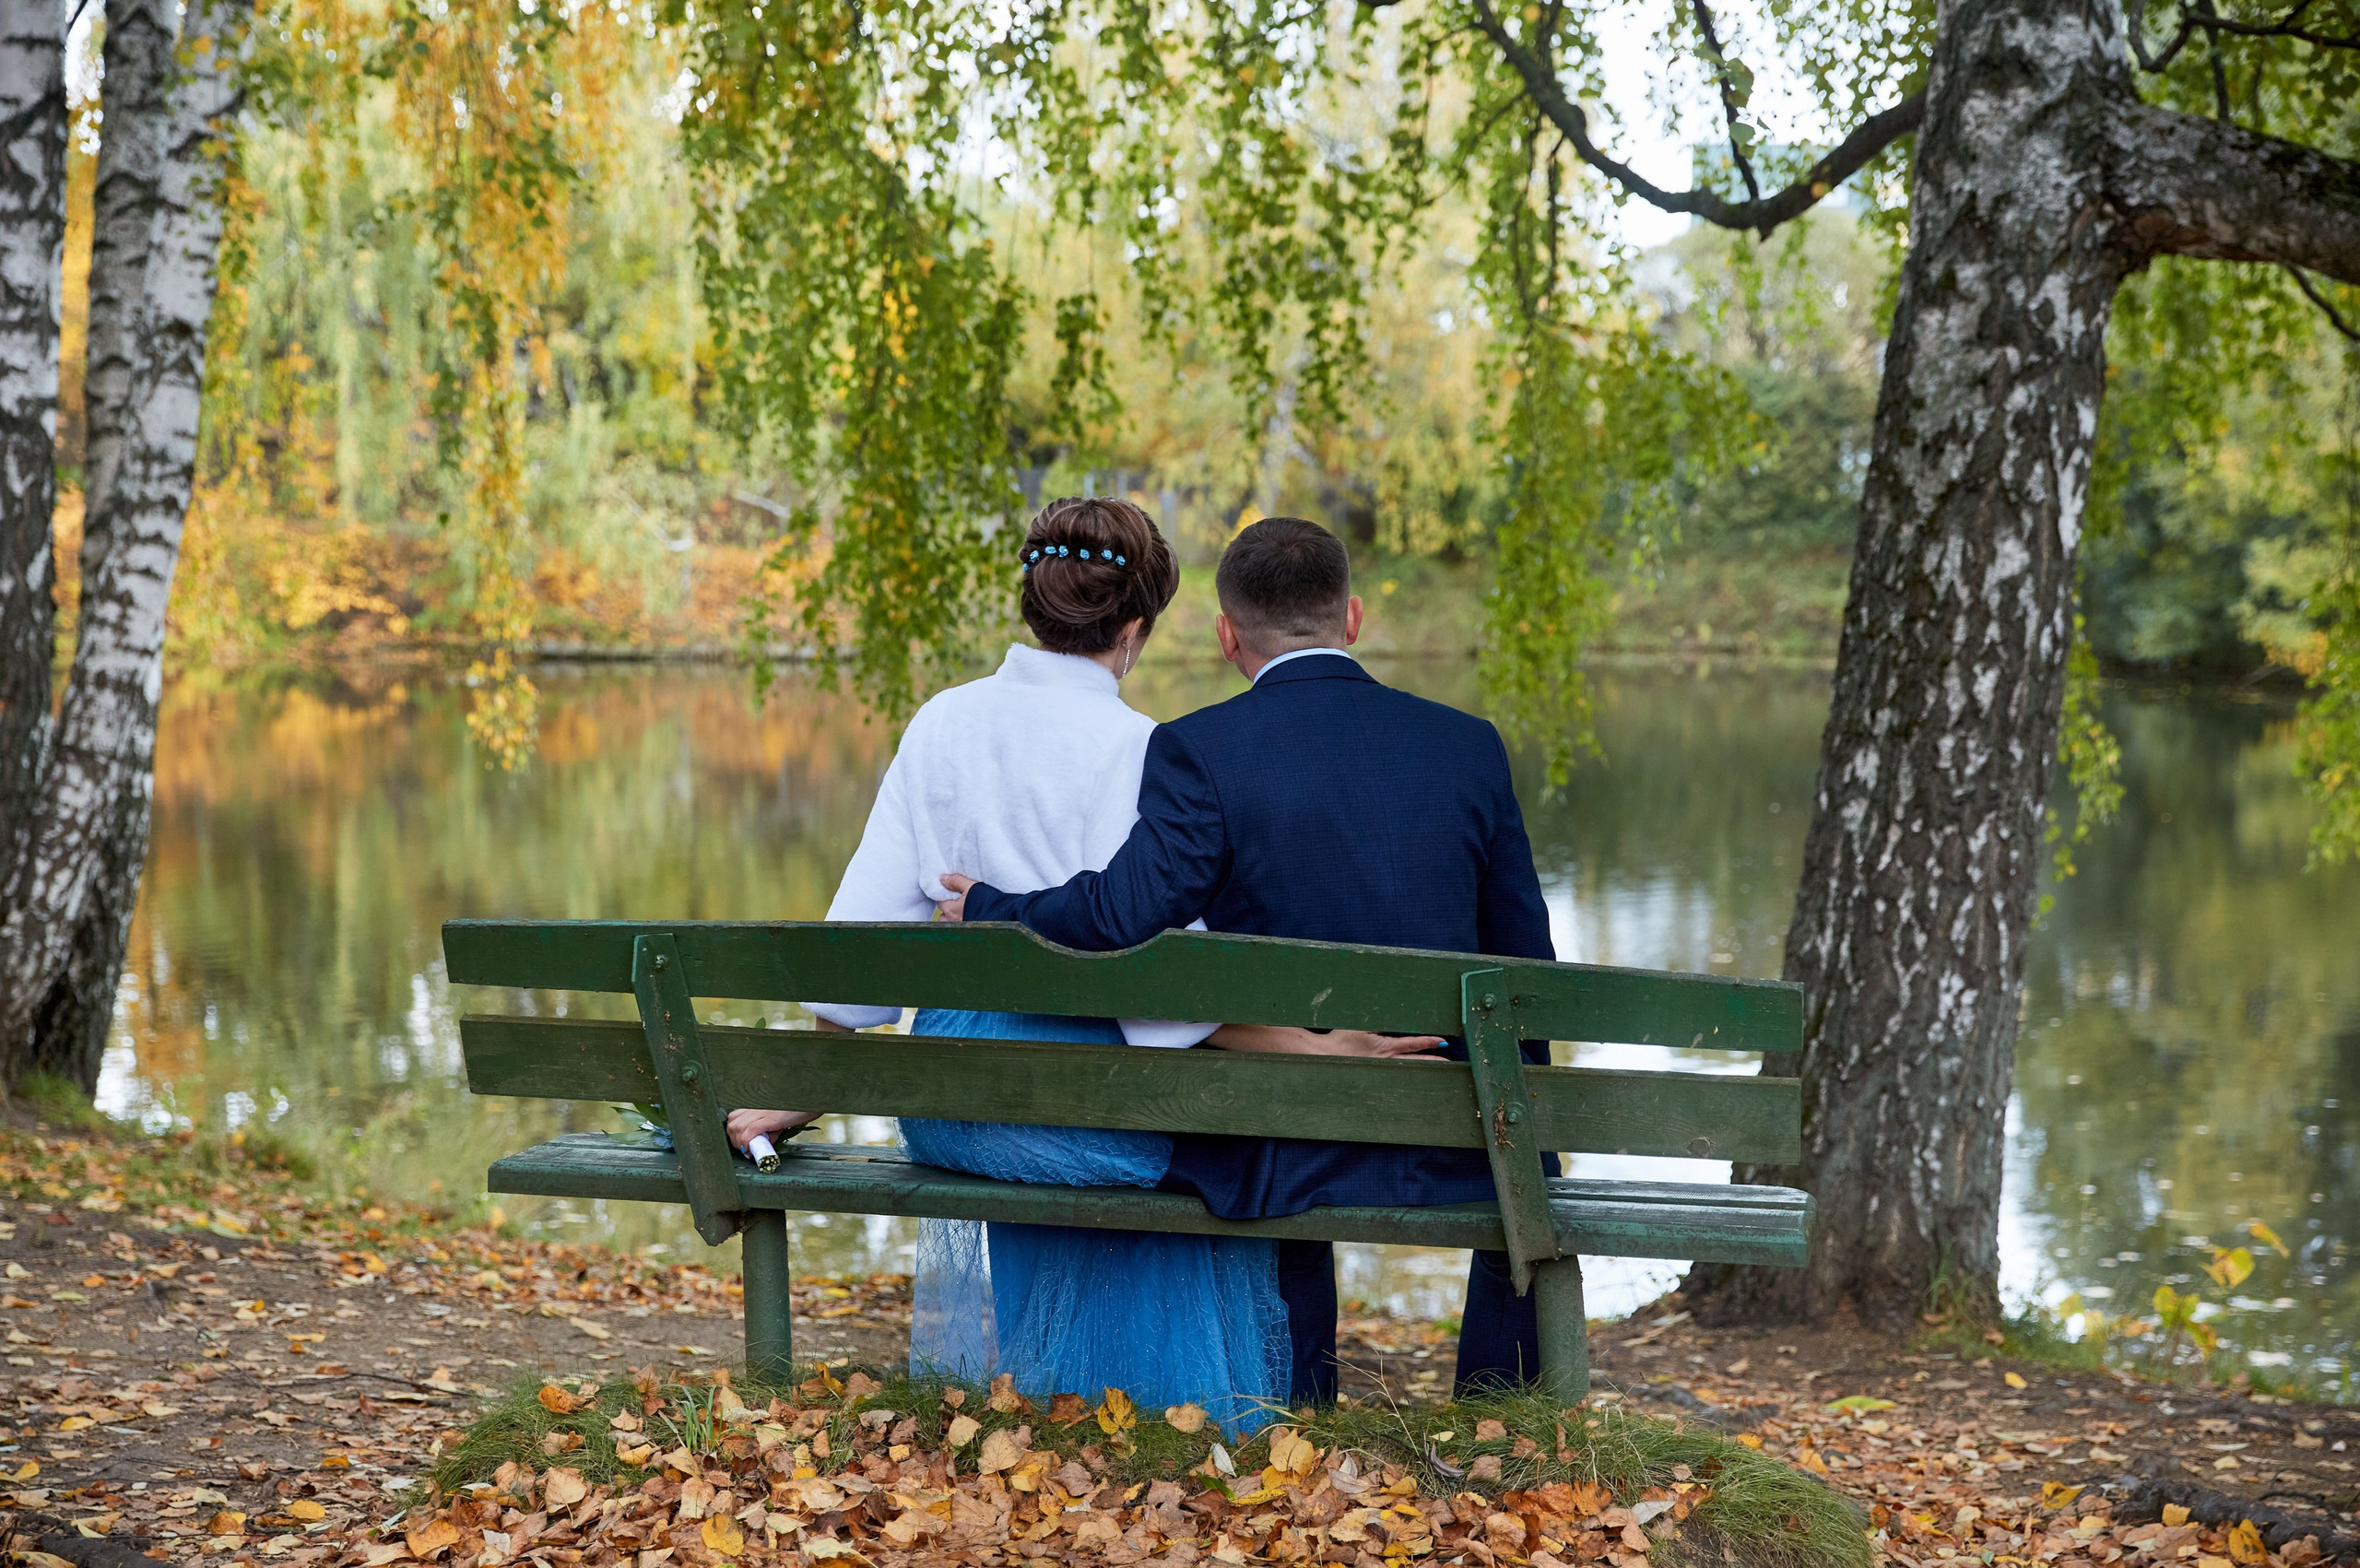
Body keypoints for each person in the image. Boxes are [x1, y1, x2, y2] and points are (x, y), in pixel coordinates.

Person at [726, 497, 1434, 1425]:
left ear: (1034, 602)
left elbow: (859, 945)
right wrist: (1324, 1050)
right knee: (1218, 1140)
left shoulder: (942, 724)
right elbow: (1169, 1004)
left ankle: (1057, 1403)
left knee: (1087, 1111)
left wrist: (802, 1091)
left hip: (954, 1107)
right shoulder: (1144, 749)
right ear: (1134, 627)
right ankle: (1156, 1413)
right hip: (1100, 1109)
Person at [940, 515, 1558, 1403]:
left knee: (1238, 1142)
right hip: (1452, 1133)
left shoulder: (1200, 749)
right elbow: (1526, 958)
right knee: (1527, 1171)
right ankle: (1502, 1414)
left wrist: (993, 905)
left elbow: (1122, 913)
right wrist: (1516, 1124)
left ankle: (1297, 1409)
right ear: (1352, 617)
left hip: (1278, 1141)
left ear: (1229, 635)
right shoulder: (1468, 745)